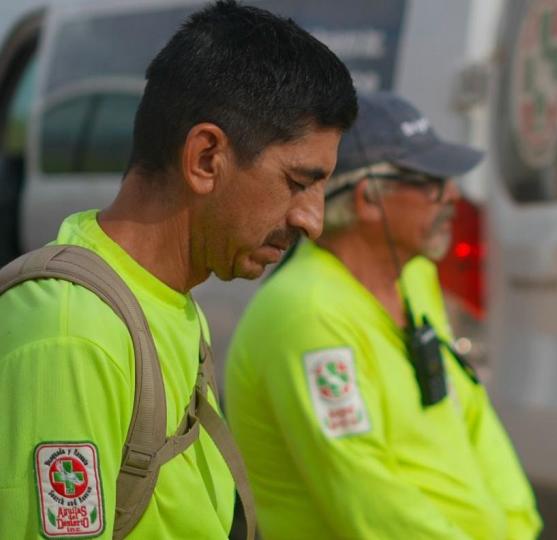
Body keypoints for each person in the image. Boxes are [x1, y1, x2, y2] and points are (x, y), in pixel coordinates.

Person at [0, 1, 356, 537]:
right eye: (299, 182)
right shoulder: (73, 333)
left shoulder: (163, 298)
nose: (312, 220)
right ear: (206, 158)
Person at [225, 91, 542, 539]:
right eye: (431, 182)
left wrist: (518, 526)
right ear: (368, 199)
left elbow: (471, 414)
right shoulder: (307, 313)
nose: (452, 195)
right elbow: (367, 501)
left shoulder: (414, 279)